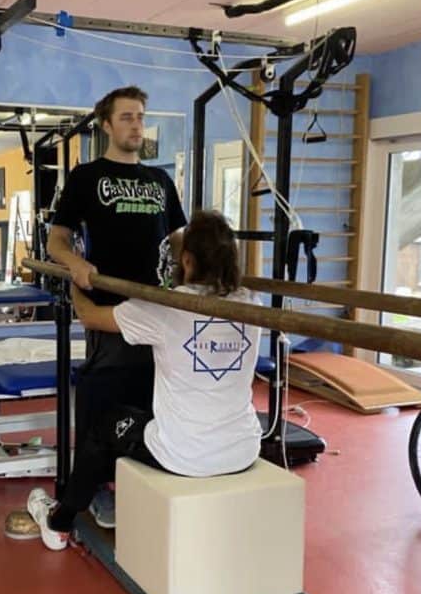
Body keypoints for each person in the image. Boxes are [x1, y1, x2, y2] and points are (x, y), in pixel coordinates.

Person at [27, 211, 262, 550]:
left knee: (103, 424)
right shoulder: (252, 303)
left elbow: (89, 317)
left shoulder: (165, 308)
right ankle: (111, 496)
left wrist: (75, 279)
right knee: (146, 409)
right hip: (243, 448)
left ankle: (59, 522)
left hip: (186, 455)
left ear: (187, 260)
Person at [46, 85, 187, 527]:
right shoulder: (86, 177)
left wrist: (196, 279)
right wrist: (75, 264)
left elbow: (179, 240)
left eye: (141, 116)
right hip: (110, 308)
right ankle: (97, 488)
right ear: (106, 125)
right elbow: (56, 240)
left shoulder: (160, 181)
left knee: (152, 400)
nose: (136, 125)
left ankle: (140, 481)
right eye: (126, 117)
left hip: (159, 311)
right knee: (104, 403)